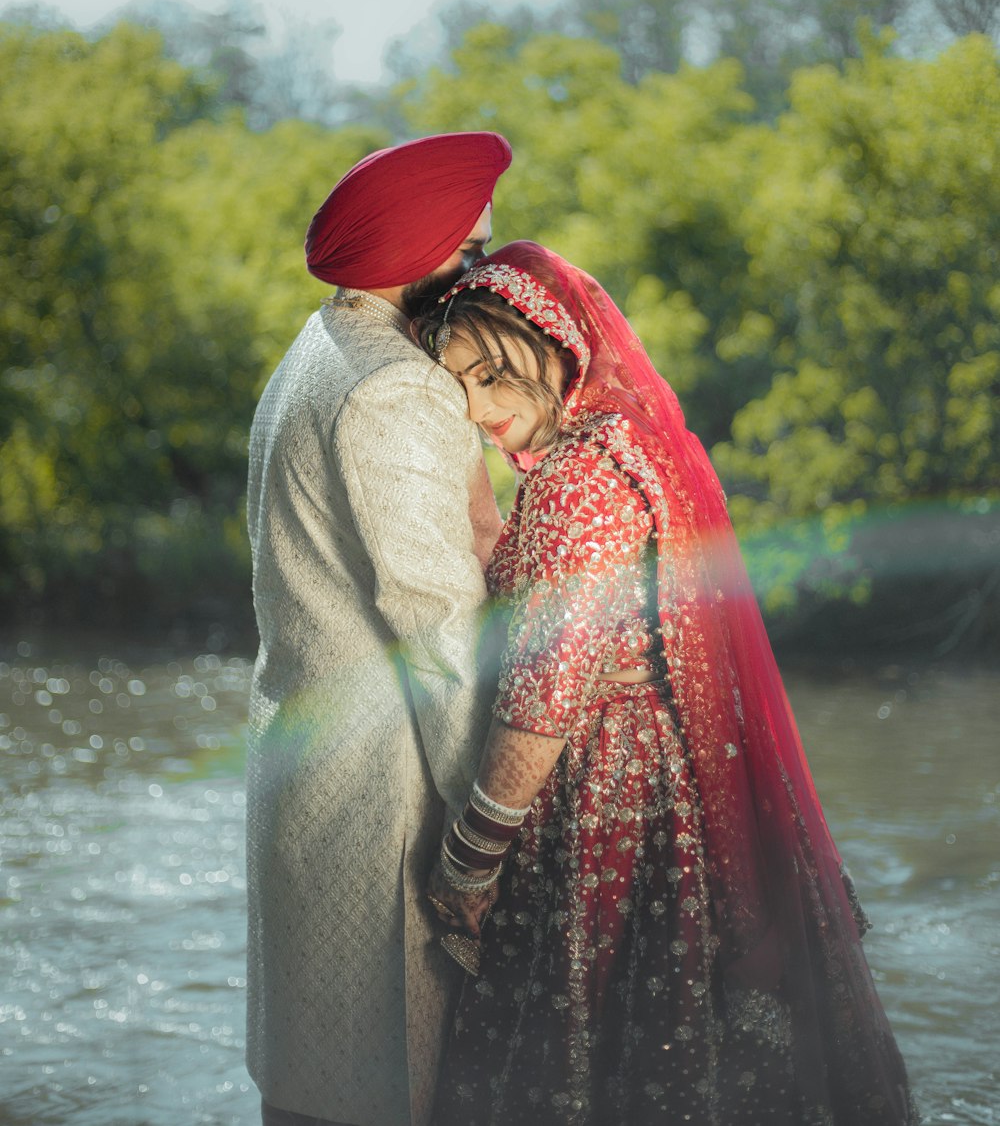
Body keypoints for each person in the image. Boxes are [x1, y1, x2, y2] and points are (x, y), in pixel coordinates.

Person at [414, 241, 918, 1126]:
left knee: (603, 1043)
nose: (477, 407)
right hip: (645, 771)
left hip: (612, 799)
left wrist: (467, 862)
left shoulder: (580, 483)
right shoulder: (617, 451)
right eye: (458, 384)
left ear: (559, 352)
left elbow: (544, 696)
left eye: (496, 376)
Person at [244, 132, 512, 1126]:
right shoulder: (394, 386)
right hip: (389, 803)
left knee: (315, 1088)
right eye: (473, 248)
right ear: (417, 252)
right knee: (390, 1092)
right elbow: (440, 630)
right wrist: (489, 833)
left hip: (307, 776)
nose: (487, 269)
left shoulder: (313, 350)